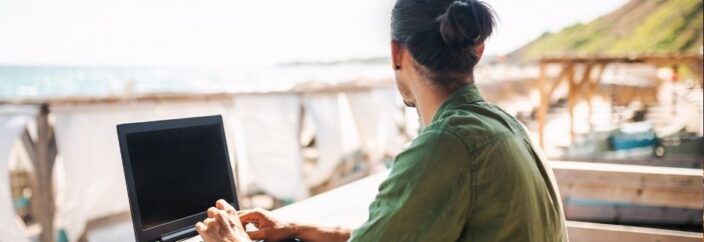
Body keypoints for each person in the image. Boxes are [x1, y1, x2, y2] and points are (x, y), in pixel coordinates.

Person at [196, 0, 569, 241]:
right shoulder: (505, 126)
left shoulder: (447, 145)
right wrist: (297, 228)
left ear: (396, 53)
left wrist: (233, 241)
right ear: (479, 50)